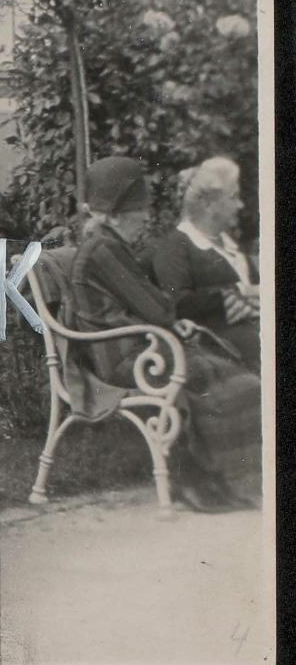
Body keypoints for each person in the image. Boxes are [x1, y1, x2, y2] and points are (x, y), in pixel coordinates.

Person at [69, 156, 261, 513]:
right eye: (139, 209)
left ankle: (211, 474)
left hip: (136, 349)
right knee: (217, 375)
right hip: (123, 358)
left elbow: (149, 306)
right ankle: (193, 477)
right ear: (116, 214)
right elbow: (158, 308)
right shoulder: (104, 249)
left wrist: (172, 323)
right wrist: (170, 320)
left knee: (225, 373)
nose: (146, 217)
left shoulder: (107, 245)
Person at [150, 157, 260, 373]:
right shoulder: (176, 247)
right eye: (234, 197)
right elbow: (177, 304)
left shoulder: (230, 245)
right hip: (223, 358)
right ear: (208, 204)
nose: (240, 205)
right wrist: (235, 294)